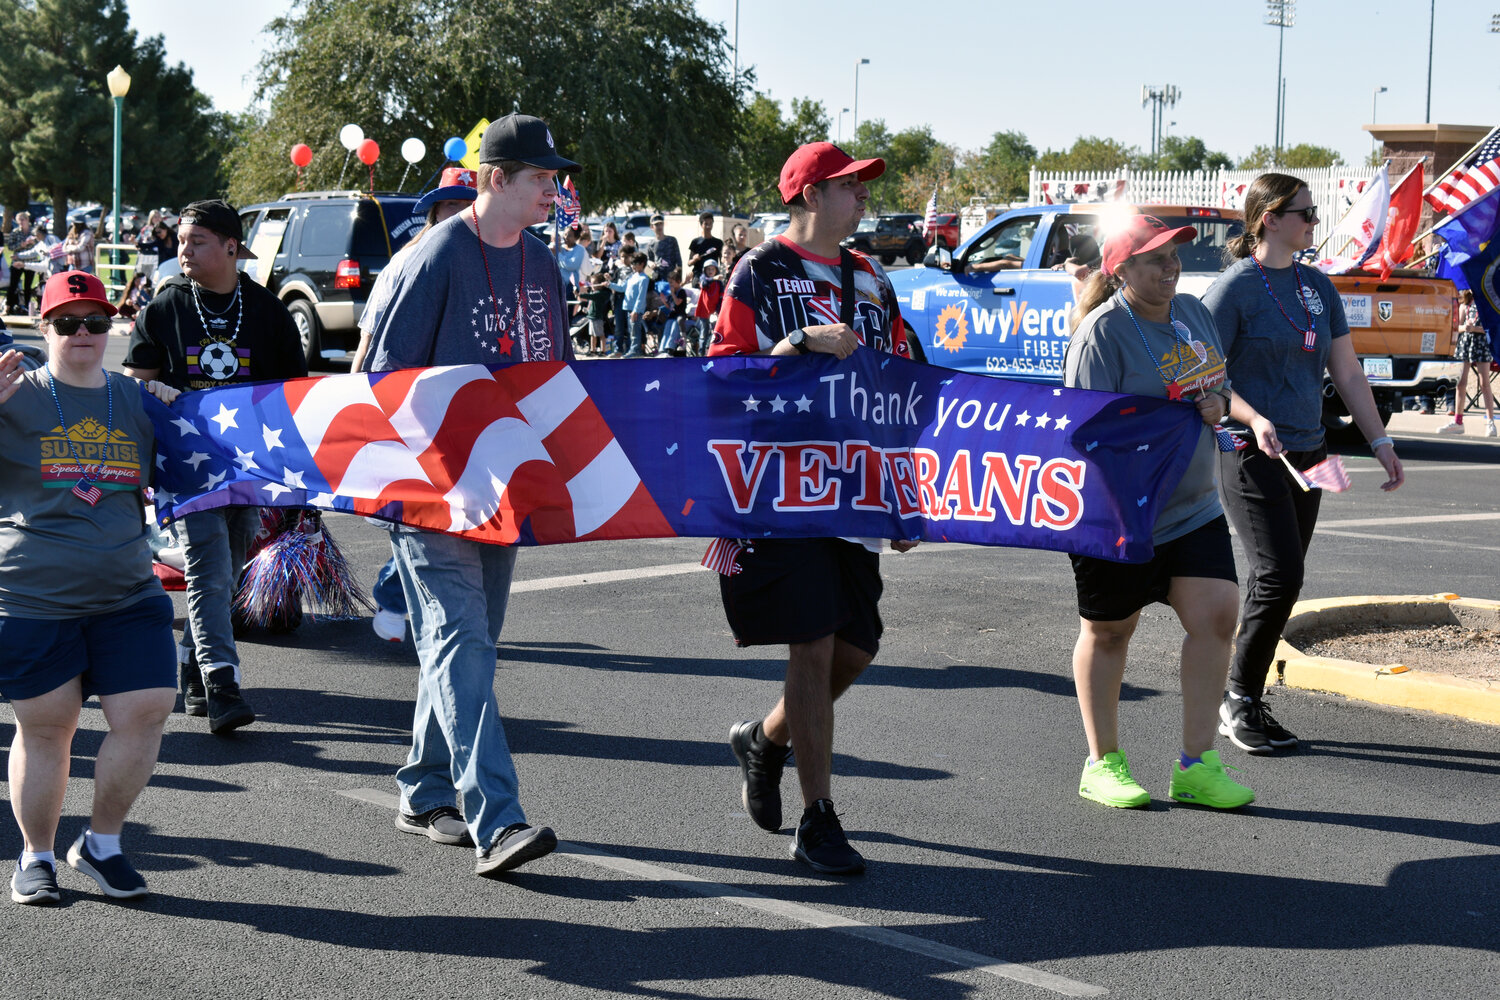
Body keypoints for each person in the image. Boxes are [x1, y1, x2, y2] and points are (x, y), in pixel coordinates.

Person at [363, 112, 576, 878]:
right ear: (495, 179)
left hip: (504, 487)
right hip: (430, 490)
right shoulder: (433, 258)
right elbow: (381, 385)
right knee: (460, 639)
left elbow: (559, 377)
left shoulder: (544, 266)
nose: (555, 189)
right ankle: (498, 818)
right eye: (542, 177)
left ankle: (423, 790)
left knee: (468, 647)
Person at [711, 141, 916, 875]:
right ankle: (817, 819)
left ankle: (764, 740)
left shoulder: (870, 275)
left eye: (862, 186)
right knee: (816, 641)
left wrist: (903, 490)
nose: (862, 196)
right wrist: (797, 342)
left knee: (857, 649)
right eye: (848, 185)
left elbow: (899, 380)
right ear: (808, 197)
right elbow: (723, 375)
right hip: (781, 489)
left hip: (855, 486)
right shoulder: (760, 271)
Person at [1064, 216, 1264, 811]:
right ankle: (1102, 763)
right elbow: (1084, 429)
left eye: (1173, 255)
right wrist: (1169, 414)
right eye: (1154, 259)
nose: (1170, 266)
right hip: (1119, 512)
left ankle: (1197, 764)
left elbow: (1219, 390)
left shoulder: (1194, 314)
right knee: (1109, 632)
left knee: (1218, 614)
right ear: (1120, 270)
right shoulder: (1101, 334)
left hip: (1193, 506)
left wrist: (1218, 404)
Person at [1201, 173, 1404, 754]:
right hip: (1250, 449)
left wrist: (1380, 442)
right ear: (1270, 218)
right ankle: (1237, 697)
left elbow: (1346, 371)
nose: (1314, 224)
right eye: (1306, 214)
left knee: (1287, 577)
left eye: (1315, 215)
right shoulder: (1234, 289)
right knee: (1278, 573)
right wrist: (1251, 416)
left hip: (1312, 451)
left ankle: (1247, 696)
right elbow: (1207, 374)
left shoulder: (1318, 286)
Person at [0, 270, 181, 904]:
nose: (83, 333)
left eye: (96, 322)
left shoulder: (135, 400)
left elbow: (207, 454)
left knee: (150, 708)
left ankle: (101, 846)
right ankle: (36, 856)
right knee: (49, 728)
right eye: (67, 322)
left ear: (113, 328)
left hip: (128, 593)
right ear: (42, 329)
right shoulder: (12, 394)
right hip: (32, 596)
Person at [122, 200, 307, 734]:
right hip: (185, 466)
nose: (183, 251)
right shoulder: (165, 307)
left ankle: (192, 671)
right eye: (181, 241)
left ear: (231, 246)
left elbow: (291, 399)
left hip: (246, 465)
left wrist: (295, 479)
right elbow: (136, 385)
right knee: (207, 565)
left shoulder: (269, 311)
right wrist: (151, 388)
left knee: (228, 568)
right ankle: (224, 683)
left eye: (196, 241)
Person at [352, 165, 480, 641]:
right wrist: (358, 397)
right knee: (422, 513)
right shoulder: (411, 262)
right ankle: (393, 596)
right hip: (415, 409)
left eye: (468, 205)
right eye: (452, 205)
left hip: (471, 413)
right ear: (434, 212)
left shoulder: (489, 260)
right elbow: (370, 336)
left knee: (456, 515)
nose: (461, 215)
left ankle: (434, 611)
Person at [1439, 289, 1496, 436]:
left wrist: (1475, 328)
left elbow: (1491, 328)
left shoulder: (1487, 305)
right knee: (1461, 383)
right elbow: (1457, 326)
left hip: (1481, 344)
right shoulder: (1465, 304)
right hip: (1466, 343)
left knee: (1484, 382)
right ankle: (1458, 421)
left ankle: (1491, 422)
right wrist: (1466, 327)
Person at [619, 251, 650, 358]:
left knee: (635, 331)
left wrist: (635, 310)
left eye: (635, 263)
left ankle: (635, 350)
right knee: (631, 331)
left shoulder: (644, 278)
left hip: (635, 310)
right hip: (628, 308)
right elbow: (622, 288)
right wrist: (609, 284)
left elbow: (641, 297)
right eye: (632, 263)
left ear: (642, 264)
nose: (632, 266)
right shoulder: (632, 277)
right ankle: (633, 349)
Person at [6, 212, 38, 314]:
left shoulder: (33, 232)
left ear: (27, 220)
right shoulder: (15, 232)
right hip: (17, 261)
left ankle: (27, 307)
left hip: (30, 262)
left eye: (23, 219)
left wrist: (33, 243)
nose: (21, 222)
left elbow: (40, 246)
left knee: (28, 286)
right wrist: (22, 245)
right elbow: (10, 247)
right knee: (13, 285)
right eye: (19, 220)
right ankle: (9, 306)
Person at [686, 211, 723, 283]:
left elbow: (722, 262)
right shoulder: (695, 242)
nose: (708, 226)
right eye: (706, 224)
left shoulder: (718, 243)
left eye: (710, 223)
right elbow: (689, 263)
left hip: (713, 277)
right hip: (698, 277)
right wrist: (694, 259)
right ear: (701, 225)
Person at [646, 213, 680, 281]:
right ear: (651, 227)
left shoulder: (672, 240)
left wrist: (676, 273)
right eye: (656, 224)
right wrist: (650, 264)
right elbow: (647, 264)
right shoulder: (651, 244)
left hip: (671, 277)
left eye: (661, 224)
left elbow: (679, 261)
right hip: (658, 277)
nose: (659, 227)